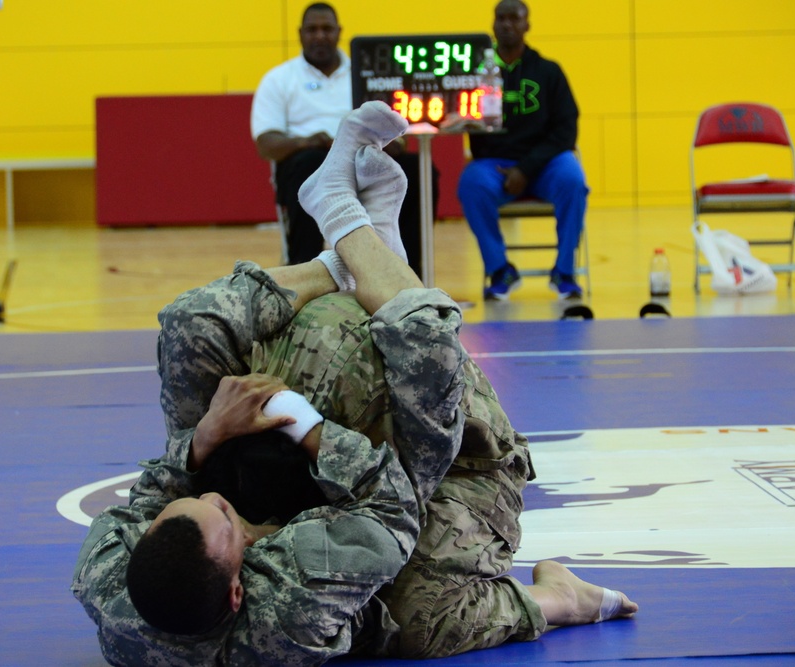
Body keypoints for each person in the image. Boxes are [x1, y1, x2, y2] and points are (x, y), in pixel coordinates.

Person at [72, 102, 636, 666]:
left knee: (190, 325)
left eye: (193, 505)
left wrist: (203, 441)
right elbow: (391, 503)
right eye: (220, 514)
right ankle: (346, 220)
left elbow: (151, 497)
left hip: (292, 510)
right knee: (419, 616)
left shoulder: (111, 587)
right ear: (241, 589)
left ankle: (341, 264)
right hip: (453, 474)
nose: (214, 497)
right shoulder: (289, 608)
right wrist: (297, 417)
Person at [250, 1, 438, 277]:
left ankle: (408, 274)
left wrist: (389, 142)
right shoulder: (278, 79)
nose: (320, 35)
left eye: (327, 29)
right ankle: (305, 273)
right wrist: (308, 142)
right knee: (307, 164)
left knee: (418, 169)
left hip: (365, 162)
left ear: (339, 32)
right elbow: (266, 143)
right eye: (312, 29)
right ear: (300, 33)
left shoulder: (365, 75)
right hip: (309, 162)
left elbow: (397, 133)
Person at [458, 0, 589, 301]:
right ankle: (501, 269)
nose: (507, 25)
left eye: (514, 19)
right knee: (471, 184)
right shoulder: (477, 74)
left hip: (544, 163)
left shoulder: (549, 71)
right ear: (493, 25)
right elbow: (466, 124)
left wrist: (526, 169)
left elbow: (566, 130)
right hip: (494, 165)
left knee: (574, 181)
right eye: (501, 18)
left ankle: (565, 271)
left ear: (527, 25)